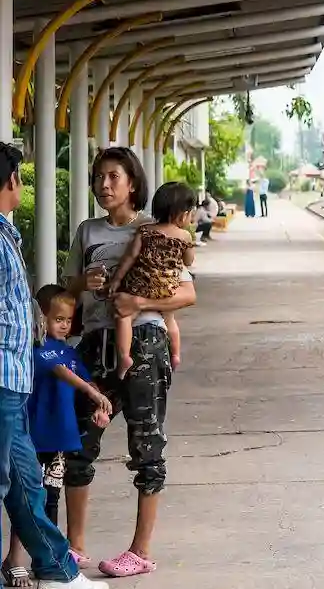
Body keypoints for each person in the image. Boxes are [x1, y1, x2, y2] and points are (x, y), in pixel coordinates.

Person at [62, 148, 197, 579]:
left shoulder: (156, 229)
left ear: (132, 183)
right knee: (78, 445)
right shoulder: (87, 231)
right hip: (95, 346)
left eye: (113, 177)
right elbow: (67, 287)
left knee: (146, 445)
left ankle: (140, 550)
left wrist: (140, 300)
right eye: (99, 177)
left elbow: (187, 293)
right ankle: (74, 545)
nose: (104, 185)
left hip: (145, 342)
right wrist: (85, 282)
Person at [0, 142, 106, 589]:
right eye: (19, 176)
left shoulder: (7, 235)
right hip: (3, 379)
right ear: (9, 182)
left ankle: (59, 572)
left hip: (15, 382)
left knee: (27, 487)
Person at [3, 287, 112, 588]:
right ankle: (15, 559)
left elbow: (82, 377)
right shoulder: (39, 349)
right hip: (35, 436)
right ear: (41, 319)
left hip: (59, 439)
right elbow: (61, 371)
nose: (63, 325)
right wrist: (91, 391)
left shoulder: (69, 350)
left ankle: (49, 561)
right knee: (27, 498)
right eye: (57, 319)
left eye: (68, 319)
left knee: (48, 499)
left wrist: (96, 406)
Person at [102, 183, 194, 380]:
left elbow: (129, 257)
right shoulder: (184, 236)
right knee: (170, 320)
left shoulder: (144, 231)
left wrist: (116, 280)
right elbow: (188, 260)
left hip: (140, 286)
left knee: (124, 317)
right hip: (167, 288)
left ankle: (124, 356)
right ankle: (176, 355)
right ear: (183, 215)